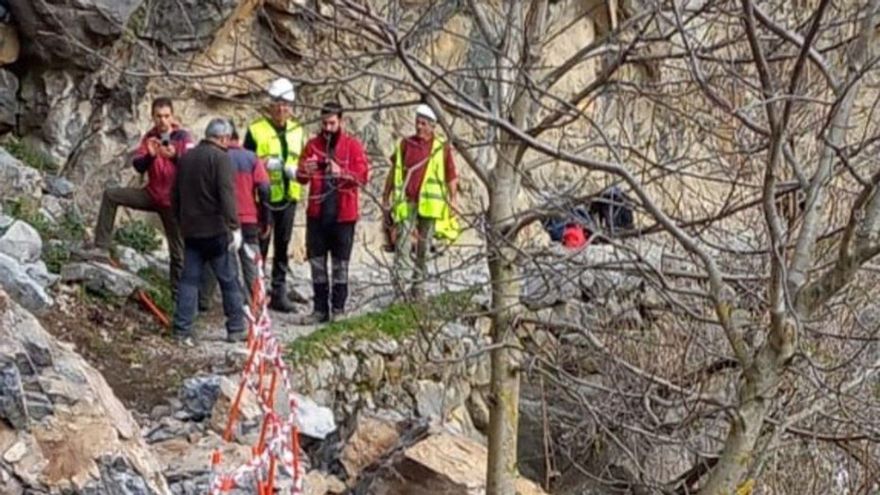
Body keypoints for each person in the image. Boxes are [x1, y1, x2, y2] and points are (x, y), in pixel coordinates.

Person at [86, 97, 192, 298]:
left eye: (166, 116)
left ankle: (178, 298)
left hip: (173, 202)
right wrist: (151, 155)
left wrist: (175, 157)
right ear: (152, 117)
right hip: (151, 194)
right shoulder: (149, 137)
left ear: (173, 116)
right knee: (111, 195)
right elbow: (138, 166)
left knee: (178, 252)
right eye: (158, 116)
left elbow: (193, 167)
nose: (163, 120)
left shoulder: (183, 137)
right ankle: (101, 247)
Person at [171, 119, 246, 343]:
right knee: (228, 279)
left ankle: (182, 328)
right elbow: (227, 195)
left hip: (191, 230)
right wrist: (234, 227)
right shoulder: (221, 158)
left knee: (189, 281)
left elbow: (174, 195)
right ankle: (236, 327)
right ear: (223, 138)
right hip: (216, 231)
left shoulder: (186, 158)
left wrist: (181, 221)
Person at [295, 102, 369, 324]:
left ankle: (338, 309)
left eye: (332, 123)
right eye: (324, 123)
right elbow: (300, 177)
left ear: (341, 122)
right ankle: (319, 310)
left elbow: (362, 177)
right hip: (317, 214)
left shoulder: (352, 146)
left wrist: (341, 172)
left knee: (340, 265)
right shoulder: (312, 145)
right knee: (317, 264)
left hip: (343, 215)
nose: (327, 127)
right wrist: (303, 170)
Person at [243, 77, 307, 313]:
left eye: (286, 104)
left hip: (288, 196)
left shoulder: (298, 130)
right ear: (270, 104)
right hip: (263, 200)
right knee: (260, 246)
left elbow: (304, 162)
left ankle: (279, 292)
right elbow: (243, 163)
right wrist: (263, 164)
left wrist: (297, 171)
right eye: (278, 103)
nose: (282, 108)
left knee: (283, 245)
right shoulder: (256, 130)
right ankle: (256, 294)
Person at [382, 103, 458, 300]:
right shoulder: (406, 144)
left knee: (423, 248)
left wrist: (453, 200)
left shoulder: (441, 148)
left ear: (433, 126)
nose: (419, 127)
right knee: (403, 247)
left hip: (430, 206)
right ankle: (400, 290)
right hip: (406, 203)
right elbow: (394, 171)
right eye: (417, 122)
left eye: (424, 123)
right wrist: (386, 196)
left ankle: (419, 288)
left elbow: (451, 176)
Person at [198, 121, 272, 309]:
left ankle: (204, 301)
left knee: (215, 262)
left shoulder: (214, 157)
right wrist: (266, 220)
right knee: (252, 266)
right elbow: (264, 189)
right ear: (237, 138)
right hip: (248, 220)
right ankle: (258, 305)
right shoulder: (251, 158)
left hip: (220, 220)